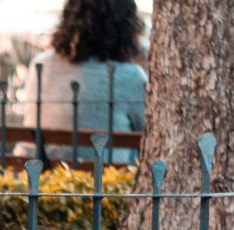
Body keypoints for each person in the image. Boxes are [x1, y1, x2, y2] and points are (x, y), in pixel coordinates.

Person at [18, 0, 147, 164]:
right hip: (105, 181)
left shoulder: (40, 65)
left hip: (41, 177)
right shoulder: (131, 76)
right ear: (126, 26)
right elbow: (149, 133)